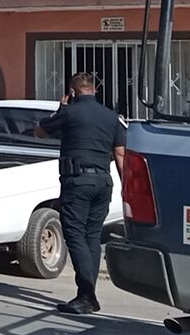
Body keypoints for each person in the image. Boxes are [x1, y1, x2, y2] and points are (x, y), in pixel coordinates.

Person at [35, 72, 126, 315]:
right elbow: (120, 154)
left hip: (78, 182)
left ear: (72, 92)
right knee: (92, 236)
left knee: (74, 234)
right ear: (95, 90)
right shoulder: (112, 117)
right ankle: (87, 294)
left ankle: (87, 295)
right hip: (104, 182)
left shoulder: (69, 112)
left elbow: (39, 132)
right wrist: (126, 188)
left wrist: (61, 108)